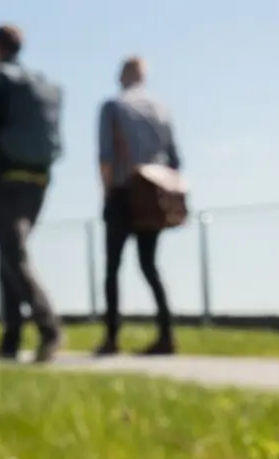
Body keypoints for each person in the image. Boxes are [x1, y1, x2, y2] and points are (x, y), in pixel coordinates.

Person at [0, 23, 64, 363]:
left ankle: (49, 327)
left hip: (3, 177)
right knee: (10, 253)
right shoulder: (38, 84)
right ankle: (11, 339)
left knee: (14, 256)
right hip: (38, 180)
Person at [95, 56, 182, 356]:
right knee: (149, 265)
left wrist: (106, 194)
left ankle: (111, 337)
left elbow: (106, 157)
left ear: (123, 75)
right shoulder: (162, 110)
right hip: (153, 193)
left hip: (122, 190)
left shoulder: (113, 106)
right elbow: (174, 160)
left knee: (112, 267)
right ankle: (167, 333)